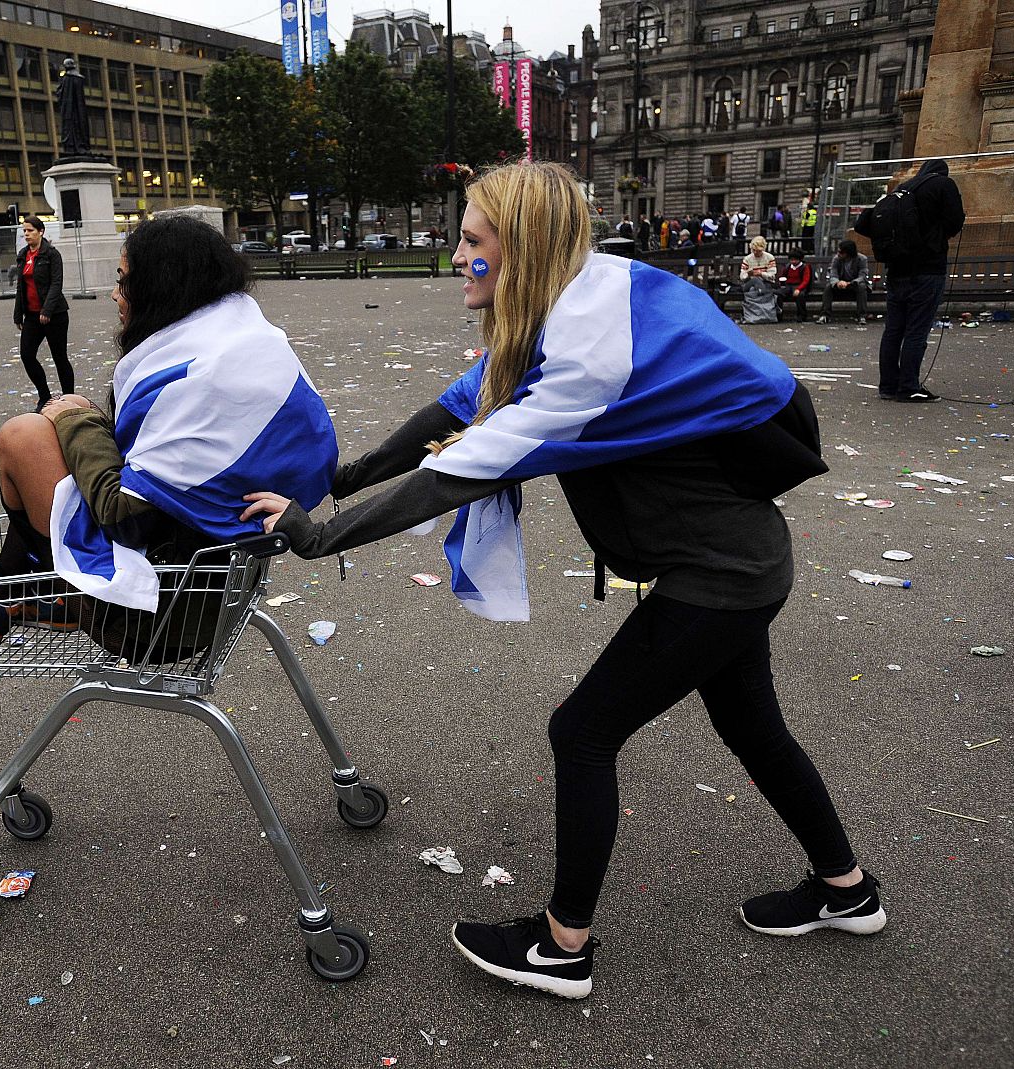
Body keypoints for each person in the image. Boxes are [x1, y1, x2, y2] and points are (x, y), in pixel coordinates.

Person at [240, 160, 879, 1002]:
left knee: (582, 732)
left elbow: (465, 465)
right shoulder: (584, 296)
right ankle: (847, 890)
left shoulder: (587, 356)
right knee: (754, 729)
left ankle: (560, 947)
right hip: (740, 560)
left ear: (521, 247)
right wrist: (342, 475)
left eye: (471, 241)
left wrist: (315, 533)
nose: (455, 256)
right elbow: (457, 408)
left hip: (717, 575)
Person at [0, 216, 336, 653]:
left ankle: (17, 595)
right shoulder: (245, 348)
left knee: (24, 436)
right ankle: (3, 593)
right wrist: (87, 421)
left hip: (150, 616)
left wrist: (80, 422)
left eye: (124, 280)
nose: (115, 294)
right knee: (71, 423)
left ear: (162, 286)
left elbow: (123, 516)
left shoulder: (202, 381)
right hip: (206, 591)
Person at [857, 158, 964, 402]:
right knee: (917, 329)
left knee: (894, 329)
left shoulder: (901, 189)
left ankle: (888, 386)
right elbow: (954, 221)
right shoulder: (943, 185)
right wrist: (934, 236)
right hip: (927, 268)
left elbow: (867, 222)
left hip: (897, 270)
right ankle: (908, 386)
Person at [14, 214, 74, 411]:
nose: (26, 234)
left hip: (54, 314)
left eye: (30, 231)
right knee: (27, 355)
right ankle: (44, 395)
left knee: (59, 357)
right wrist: (18, 314)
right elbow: (20, 287)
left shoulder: (51, 254)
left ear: (41, 232)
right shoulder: (23, 255)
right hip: (31, 315)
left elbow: (57, 283)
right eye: (24, 231)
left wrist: (47, 309)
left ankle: (69, 398)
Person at [818, 239, 870, 324]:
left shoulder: (862, 259)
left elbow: (862, 275)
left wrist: (850, 283)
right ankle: (825, 315)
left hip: (854, 284)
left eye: (841, 252)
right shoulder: (836, 259)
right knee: (828, 288)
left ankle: (862, 316)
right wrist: (837, 282)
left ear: (848, 253)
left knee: (862, 287)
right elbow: (833, 273)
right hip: (840, 284)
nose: (839, 254)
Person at [738, 236, 779, 323]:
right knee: (755, 280)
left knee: (757, 280)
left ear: (763, 248)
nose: (756, 253)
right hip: (750, 283)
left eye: (759, 251)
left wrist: (761, 274)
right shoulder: (747, 259)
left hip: (766, 282)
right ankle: (761, 291)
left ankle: (755, 316)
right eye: (754, 250)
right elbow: (742, 277)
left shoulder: (769, 258)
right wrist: (748, 275)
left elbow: (772, 275)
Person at [778, 248, 813, 323]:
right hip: (788, 285)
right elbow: (783, 276)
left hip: (799, 285)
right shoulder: (788, 267)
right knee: (779, 294)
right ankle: (778, 315)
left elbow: (806, 280)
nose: (793, 262)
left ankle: (802, 315)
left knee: (800, 296)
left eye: (795, 260)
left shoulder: (804, 267)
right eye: (791, 260)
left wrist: (799, 289)